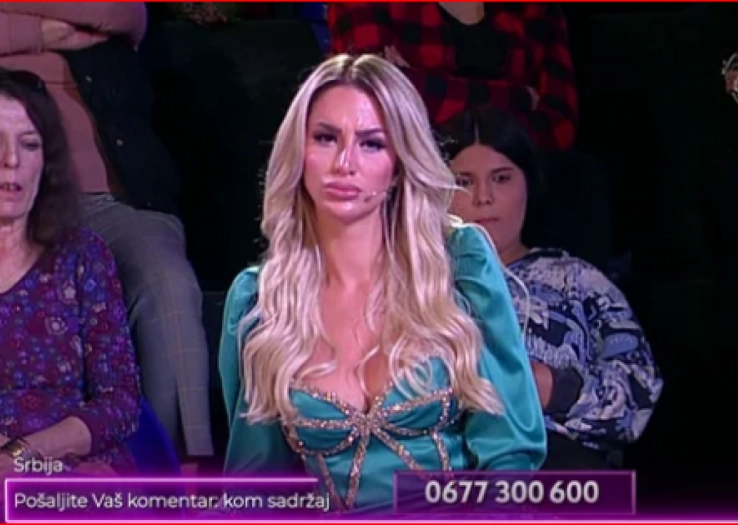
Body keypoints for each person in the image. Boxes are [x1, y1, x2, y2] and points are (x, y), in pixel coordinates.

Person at [219, 54, 547, 512]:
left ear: (398, 164)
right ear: (299, 152)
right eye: (326, 138)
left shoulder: (460, 263)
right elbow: (256, 487)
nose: (345, 163)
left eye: (372, 143)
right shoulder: (259, 301)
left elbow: (510, 454)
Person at [0, 3, 213, 463]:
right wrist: (42, 32)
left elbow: (122, 11)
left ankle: (178, 471)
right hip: (14, 200)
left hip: (114, 196)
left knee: (168, 283)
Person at [439, 107, 663, 470]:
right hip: (444, 465)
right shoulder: (413, 285)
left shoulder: (579, 281)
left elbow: (640, 391)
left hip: (560, 465)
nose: (484, 198)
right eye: (464, 182)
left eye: (501, 179)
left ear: (527, 184)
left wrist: (554, 390)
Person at [0, 68, 141, 485]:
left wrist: (24, 455)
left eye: (29, 144)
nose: (12, 160)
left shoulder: (83, 257)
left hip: (70, 465)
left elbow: (121, 402)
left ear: (47, 161)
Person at [327, 2, 577, 152]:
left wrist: (422, 86)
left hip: (515, 174)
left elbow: (560, 126)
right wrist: (519, 98)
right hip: (411, 172)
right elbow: (377, 97)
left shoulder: (534, 7)